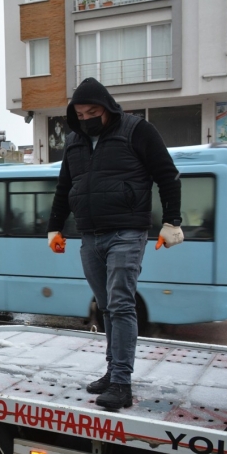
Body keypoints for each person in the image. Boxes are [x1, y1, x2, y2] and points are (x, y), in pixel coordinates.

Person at [46, 77, 184, 410]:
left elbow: (168, 175)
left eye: (93, 111)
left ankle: (122, 382)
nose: (87, 118)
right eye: (80, 113)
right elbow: (65, 187)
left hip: (127, 231)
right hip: (89, 235)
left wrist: (172, 221)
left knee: (122, 304)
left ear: (107, 108)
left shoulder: (138, 130)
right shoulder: (75, 142)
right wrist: (54, 228)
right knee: (105, 306)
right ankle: (113, 372)